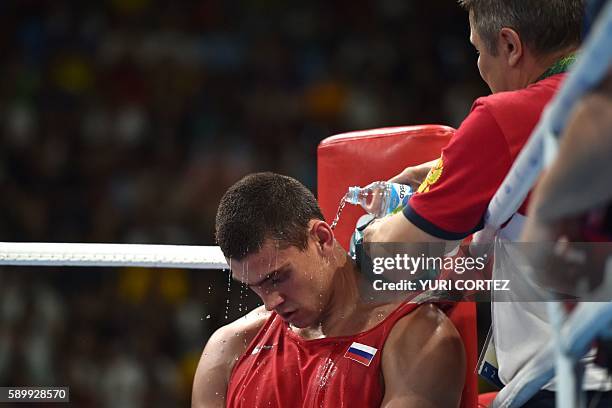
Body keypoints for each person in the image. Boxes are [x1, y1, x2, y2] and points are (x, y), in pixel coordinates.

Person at [362, 0, 612, 405]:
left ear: (511, 46)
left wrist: (373, 227)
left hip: (572, 383)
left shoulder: (506, 118)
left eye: (479, 50)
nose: (479, 67)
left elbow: (390, 257)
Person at [191, 172, 465, 408]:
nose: (271, 301)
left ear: (321, 239)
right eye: (255, 287)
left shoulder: (417, 339)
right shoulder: (228, 350)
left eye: (277, 278)